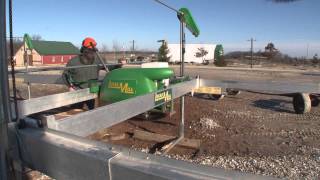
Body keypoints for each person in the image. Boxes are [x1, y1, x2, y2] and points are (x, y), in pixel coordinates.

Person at [63, 37, 100, 110]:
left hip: (92, 90)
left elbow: (109, 67)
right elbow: (65, 75)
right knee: (75, 111)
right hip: (78, 91)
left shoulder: (97, 60)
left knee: (92, 111)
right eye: (89, 50)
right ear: (84, 50)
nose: (91, 52)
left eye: (92, 50)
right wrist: (70, 86)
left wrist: (119, 64)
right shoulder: (73, 62)